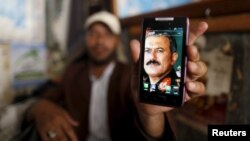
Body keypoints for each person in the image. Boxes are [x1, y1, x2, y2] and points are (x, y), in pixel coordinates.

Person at [26, 11, 208, 141]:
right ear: (86, 39)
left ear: (116, 41)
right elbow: (46, 97)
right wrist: (40, 108)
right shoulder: (73, 72)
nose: (99, 41)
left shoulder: (132, 75)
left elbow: (155, 132)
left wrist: (151, 117)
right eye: (93, 34)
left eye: (107, 34)